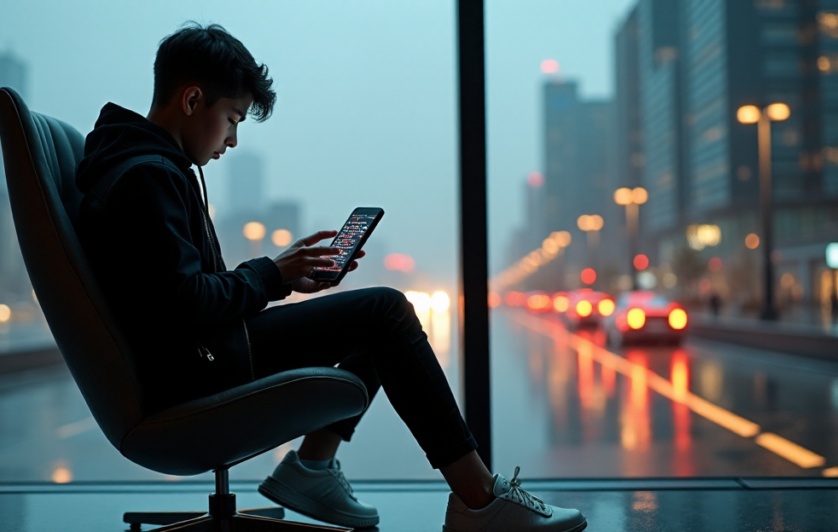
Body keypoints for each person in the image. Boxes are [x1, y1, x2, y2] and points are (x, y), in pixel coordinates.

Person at [75, 22, 587, 532]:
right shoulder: (149, 175)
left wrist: (281, 276)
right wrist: (272, 275)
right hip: (195, 370)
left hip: (197, 355)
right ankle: (477, 498)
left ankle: (312, 468)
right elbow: (187, 301)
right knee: (384, 312)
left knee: (376, 318)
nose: (231, 140)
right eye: (231, 119)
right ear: (191, 101)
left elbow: (174, 293)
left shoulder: (139, 165)